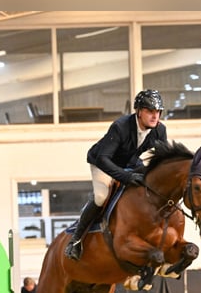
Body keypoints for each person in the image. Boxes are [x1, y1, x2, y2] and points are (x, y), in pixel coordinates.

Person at [64, 89, 168, 261]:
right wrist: (126, 177)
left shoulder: (159, 130)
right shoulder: (121, 126)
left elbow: (161, 161)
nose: (155, 116)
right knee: (101, 197)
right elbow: (103, 159)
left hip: (130, 162)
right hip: (102, 162)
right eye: (150, 111)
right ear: (139, 111)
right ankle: (76, 240)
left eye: (158, 112)